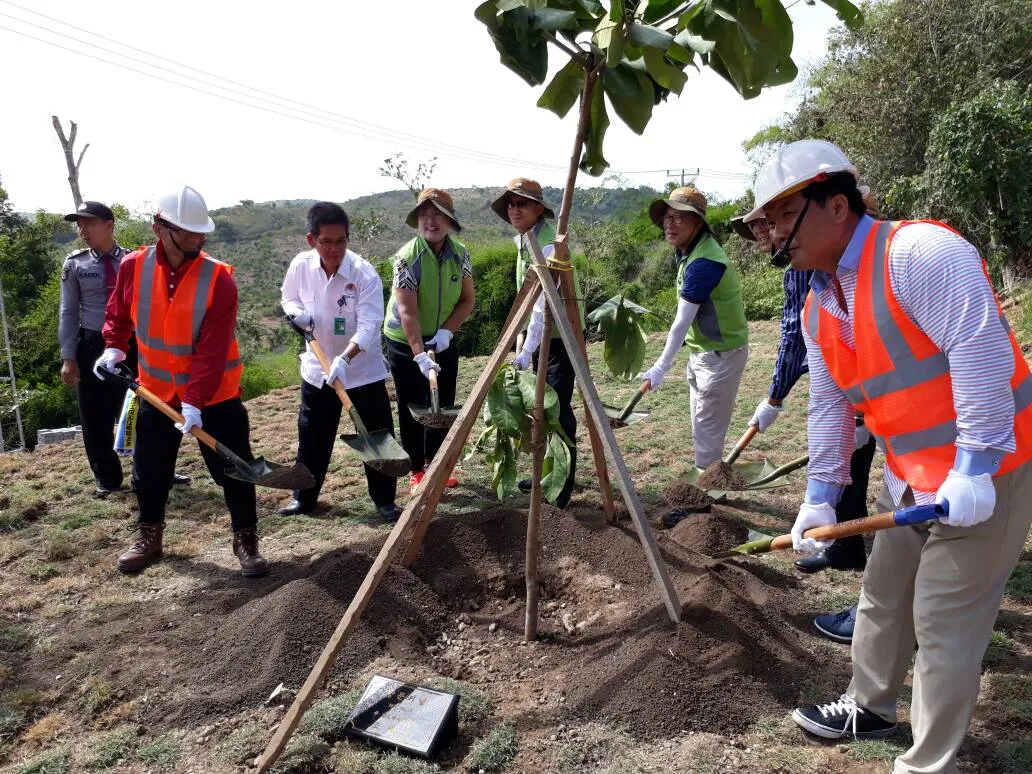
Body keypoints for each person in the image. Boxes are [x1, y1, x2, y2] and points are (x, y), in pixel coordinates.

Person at [752, 139, 1032, 772]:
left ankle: (927, 760)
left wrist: (977, 464)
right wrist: (819, 495)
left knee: (943, 619)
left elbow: (978, 348)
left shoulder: (919, 254)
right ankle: (869, 705)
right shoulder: (822, 304)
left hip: (990, 471)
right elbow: (829, 406)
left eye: (779, 215)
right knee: (883, 594)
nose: (769, 234)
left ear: (836, 204)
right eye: (761, 222)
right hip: (911, 474)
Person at [94, 185, 267, 577]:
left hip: (214, 395)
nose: (197, 238)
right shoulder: (132, 267)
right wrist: (114, 348)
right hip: (155, 392)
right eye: (187, 231)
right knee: (149, 470)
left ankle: (246, 540)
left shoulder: (219, 279)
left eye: (200, 231)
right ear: (160, 228)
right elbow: (118, 315)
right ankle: (149, 536)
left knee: (234, 469)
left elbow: (212, 348)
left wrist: (194, 401)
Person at [739, 208, 872, 582]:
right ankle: (845, 547)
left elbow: (794, 338)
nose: (762, 235)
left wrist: (776, 397)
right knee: (846, 473)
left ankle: (845, 549)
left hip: (887, 408)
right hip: (852, 395)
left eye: (765, 224)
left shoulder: (809, 270)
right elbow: (819, 367)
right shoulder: (807, 273)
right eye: (754, 227)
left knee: (853, 477)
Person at [278, 202, 401, 521]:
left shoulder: (363, 273)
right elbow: (288, 296)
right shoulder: (300, 266)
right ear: (311, 240)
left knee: (375, 436)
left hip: (361, 372)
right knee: (312, 437)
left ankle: (385, 502)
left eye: (341, 241)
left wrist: (345, 359)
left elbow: (370, 324)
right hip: (317, 371)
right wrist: (295, 313)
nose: (334, 249)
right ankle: (304, 498)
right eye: (326, 242)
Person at [59, 201, 189, 497]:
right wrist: (68, 357)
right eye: (80, 225)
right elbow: (67, 312)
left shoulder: (137, 260)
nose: (83, 230)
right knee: (95, 415)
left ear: (109, 225)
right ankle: (107, 478)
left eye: (89, 223)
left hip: (136, 343)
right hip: (93, 344)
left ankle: (159, 469)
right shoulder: (75, 264)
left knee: (151, 409)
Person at [639, 187, 749, 470]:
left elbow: (682, 321)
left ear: (698, 222)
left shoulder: (705, 263)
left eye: (679, 218)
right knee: (702, 428)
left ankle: (705, 503)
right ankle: (709, 485)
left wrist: (662, 366)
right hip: (704, 353)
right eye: (667, 217)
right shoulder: (691, 252)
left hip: (720, 356)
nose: (670, 224)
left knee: (706, 431)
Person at [493, 178, 582, 508]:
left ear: (538, 209)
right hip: (536, 333)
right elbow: (524, 301)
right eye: (511, 204)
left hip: (559, 338)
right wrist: (522, 345)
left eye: (522, 204)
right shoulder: (524, 240)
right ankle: (546, 473)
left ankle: (561, 488)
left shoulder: (546, 243)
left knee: (556, 411)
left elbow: (543, 307)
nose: (514, 209)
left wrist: (526, 351)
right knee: (538, 410)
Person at [383, 188, 475, 494]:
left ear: (449, 221)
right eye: (424, 214)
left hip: (441, 340)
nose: (430, 221)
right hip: (405, 342)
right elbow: (407, 312)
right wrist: (420, 355)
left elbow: (466, 300)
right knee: (414, 407)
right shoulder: (407, 258)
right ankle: (416, 470)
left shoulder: (460, 254)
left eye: (438, 214)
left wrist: (447, 332)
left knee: (442, 404)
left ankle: (437, 465)